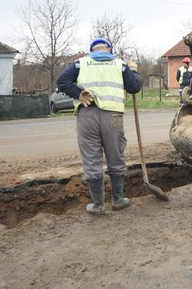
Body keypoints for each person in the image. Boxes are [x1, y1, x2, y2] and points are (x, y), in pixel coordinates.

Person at [57, 38, 142, 215]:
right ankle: (118, 200)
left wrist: (78, 94)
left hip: (87, 116)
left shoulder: (80, 64)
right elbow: (134, 87)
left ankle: (98, 205)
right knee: (115, 155)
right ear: (109, 50)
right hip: (113, 117)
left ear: (91, 51)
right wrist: (133, 70)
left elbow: (62, 81)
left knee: (91, 158)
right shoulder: (120, 65)